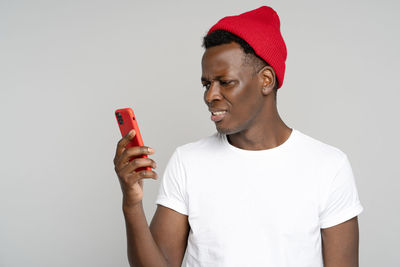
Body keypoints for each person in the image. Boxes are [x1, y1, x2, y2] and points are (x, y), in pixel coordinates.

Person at [113, 6, 363, 267]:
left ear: (266, 80)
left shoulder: (328, 166)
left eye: (225, 82)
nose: (210, 96)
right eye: (207, 84)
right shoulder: (188, 162)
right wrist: (131, 205)